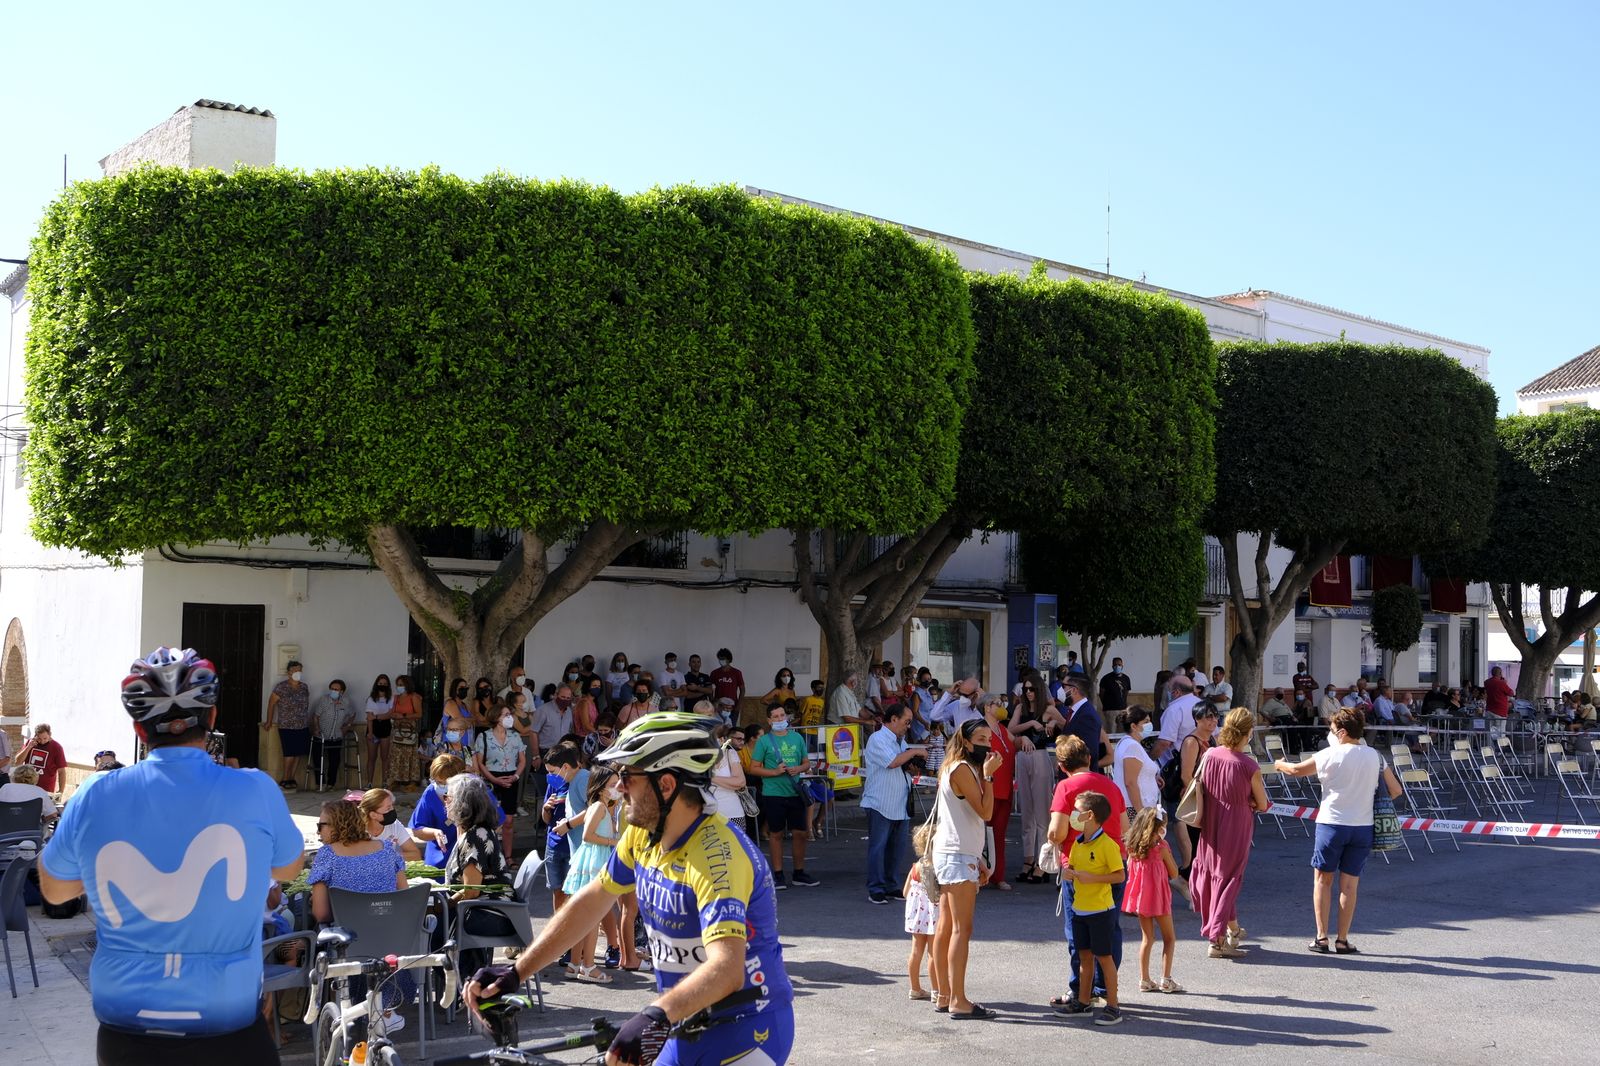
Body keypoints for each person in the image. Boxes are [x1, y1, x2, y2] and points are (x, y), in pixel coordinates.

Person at [464, 712, 795, 1066]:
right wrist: (517, 972)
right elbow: (592, 900)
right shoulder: (643, 833)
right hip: (683, 1020)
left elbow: (727, 969)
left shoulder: (717, 858)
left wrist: (655, 1014)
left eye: (628, 776)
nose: (619, 786)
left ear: (666, 785)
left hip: (746, 1029)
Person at [39, 647, 303, 1064]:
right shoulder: (256, 788)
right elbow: (288, 866)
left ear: (139, 730)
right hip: (230, 1022)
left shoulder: (95, 793)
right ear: (212, 719)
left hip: (128, 1029)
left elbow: (54, 891)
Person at [1275, 707, 1402, 955]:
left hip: (1332, 824)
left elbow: (1296, 770)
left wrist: (1279, 763)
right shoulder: (1375, 756)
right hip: (1362, 827)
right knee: (1350, 886)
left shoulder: (1329, 754)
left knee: (1322, 880)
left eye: (1332, 730)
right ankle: (1343, 940)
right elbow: (1395, 790)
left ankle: (1321, 937)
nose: (1330, 735)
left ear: (1342, 732)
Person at [929, 718, 1003, 1020]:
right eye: (982, 738)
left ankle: (945, 994)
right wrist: (988, 777)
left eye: (990, 737)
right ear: (967, 741)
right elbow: (985, 812)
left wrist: (978, 858)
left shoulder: (957, 767)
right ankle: (957, 999)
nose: (988, 744)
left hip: (955, 853)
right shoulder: (962, 769)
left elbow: (964, 819)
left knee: (947, 927)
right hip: (957, 855)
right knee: (961, 929)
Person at [1046, 735, 1127, 1007]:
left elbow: (1057, 832)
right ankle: (1107, 988)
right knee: (1110, 929)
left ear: (1061, 764)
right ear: (1089, 758)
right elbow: (1125, 829)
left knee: (1078, 932)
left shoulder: (1065, 787)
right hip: (1112, 861)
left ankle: (1081, 989)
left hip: (1079, 868)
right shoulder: (1111, 786)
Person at [1191, 708, 1270, 959]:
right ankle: (1216, 941)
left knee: (1217, 877)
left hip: (1211, 821)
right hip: (1236, 825)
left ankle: (1232, 928)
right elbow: (1264, 803)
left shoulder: (1211, 754)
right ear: (1248, 733)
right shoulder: (1249, 765)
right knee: (1228, 879)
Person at [1052, 790, 1125, 1027]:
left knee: (1104, 957)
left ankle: (1113, 1006)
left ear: (1090, 815)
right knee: (1083, 955)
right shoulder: (1077, 844)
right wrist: (1069, 873)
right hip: (1079, 909)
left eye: (1077, 811)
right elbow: (1072, 867)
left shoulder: (1108, 845)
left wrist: (1091, 877)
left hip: (1100, 910)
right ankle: (1083, 1002)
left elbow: (1119, 876)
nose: (1073, 815)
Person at [562, 767, 624, 983]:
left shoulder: (601, 807)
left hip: (594, 860)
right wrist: (613, 841)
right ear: (600, 787)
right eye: (612, 784)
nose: (617, 788)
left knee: (585, 917)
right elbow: (588, 836)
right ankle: (588, 966)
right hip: (595, 862)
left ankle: (574, 963)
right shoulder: (598, 807)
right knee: (592, 917)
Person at [749, 702, 819, 888]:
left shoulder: (797, 738)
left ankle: (799, 872)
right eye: (776, 717)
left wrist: (799, 768)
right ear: (769, 720)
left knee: (800, 833)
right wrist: (774, 772)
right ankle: (778, 874)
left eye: (783, 715)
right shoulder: (764, 741)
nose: (781, 719)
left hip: (794, 792)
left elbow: (806, 763)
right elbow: (753, 768)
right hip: (773, 794)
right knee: (776, 834)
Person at [862, 703, 925, 904]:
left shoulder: (901, 741)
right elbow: (892, 762)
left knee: (896, 849)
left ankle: (891, 885)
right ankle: (876, 888)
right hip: (880, 802)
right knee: (878, 848)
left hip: (899, 803)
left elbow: (902, 764)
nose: (908, 726)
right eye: (906, 722)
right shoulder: (877, 739)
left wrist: (913, 766)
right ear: (894, 719)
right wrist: (914, 752)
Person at [1123, 806, 1184, 994]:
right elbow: (1174, 872)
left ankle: (1145, 979)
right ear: (1158, 828)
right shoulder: (1161, 848)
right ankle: (1166, 979)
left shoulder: (1132, 847)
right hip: (1159, 897)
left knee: (1147, 939)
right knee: (1169, 938)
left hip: (1142, 899)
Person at [408, 753, 505, 868]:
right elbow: (417, 828)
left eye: (445, 783)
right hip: (439, 862)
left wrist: (471, 840)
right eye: (437, 782)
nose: (441, 787)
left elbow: (498, 822)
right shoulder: (431, 792)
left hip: (473, 859)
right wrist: (434, 833)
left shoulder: (477, 789)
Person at [1009, 674, 1061, 884]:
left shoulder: (1048, 709)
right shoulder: (1021, 709)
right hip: (1023, 756)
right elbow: (1011, 729)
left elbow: (1066, 724)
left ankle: (1043, 863)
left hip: (1040, 755)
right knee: (1026, 811)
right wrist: (1029, 725)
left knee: (1042, 812)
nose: (1028, 693)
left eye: (1031, 689)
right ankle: (1028, 860)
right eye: (1025, 689)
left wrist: (1054, 721)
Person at [473, 705, 529, 859]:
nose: (509, 717)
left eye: (509, 714)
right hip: (491, 779)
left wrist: (516, 776)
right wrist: (494, 779)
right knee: (490, 819)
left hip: (511, 778)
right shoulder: (484, 736)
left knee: (509, 820)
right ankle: (489, 856)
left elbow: (522, 760)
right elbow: (480, 763)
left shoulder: (515, 736)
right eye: (506, 714)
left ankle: (508, 856)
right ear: (497, 717)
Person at [1172, 705, 1218, 877]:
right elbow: (1186, 776)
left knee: (1206, 848)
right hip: (1194, 802)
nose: (1213, 720)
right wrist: (1200, 800)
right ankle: (1185, 881)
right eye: (1208, 717)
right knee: (1195, 847)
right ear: (1197, 719)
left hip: (1208, 799)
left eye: (1215, 716)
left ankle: (1193, 884)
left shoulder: (1212, 739)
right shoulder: (1192, 742)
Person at [979, 695, 1016, 891]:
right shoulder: (979, 728)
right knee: (978, 835)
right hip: (986, 788)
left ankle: (997, 875)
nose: (1002, 707)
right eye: (997, 704)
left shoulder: (1002, 729)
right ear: (987, 707)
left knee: (999, 835)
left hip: (1005, 789)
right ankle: (977, 875)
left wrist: (1024, 737)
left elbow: (1015, 741)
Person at [902, 819, 940, 1003]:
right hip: (933, 914)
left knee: (916, 951)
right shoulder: (938, 867)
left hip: (917, 914)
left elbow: (905, 892)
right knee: (934, 953)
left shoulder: (916, 867)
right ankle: (936, 990)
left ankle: (915, 988)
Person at [264, 660, 311, 790]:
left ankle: (292, 778)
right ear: (288, 672)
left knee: (298, 753)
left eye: (299, 670)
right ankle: (285, 778)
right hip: (287, 725)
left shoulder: (304, 687)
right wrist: (269, 721)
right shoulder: (281, 687)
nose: (297, 673)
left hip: (302, 725)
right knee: (289, 753)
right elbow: (271, 704)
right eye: (294, 670)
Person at [308, 678, 356, 792]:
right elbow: (316, 715)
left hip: (336, 735)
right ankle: (320, 784)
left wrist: (347, 726)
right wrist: (316, 728)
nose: (333, 691)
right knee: (318, 759)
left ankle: (331, 784)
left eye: (336, 689)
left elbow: (352, 714)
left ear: (342, 691)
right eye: (332, 689)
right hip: (322, 734)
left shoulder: (346, 701)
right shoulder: (324, 700)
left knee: (334, 761)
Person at [1110, 706, 1160, 812]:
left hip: (1138, 806)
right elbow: (1130, 782)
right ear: (1134, 726)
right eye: (1145, 722)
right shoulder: (1132, 746)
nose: (1149, 724)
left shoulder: (1128, 743)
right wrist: (1141, 812)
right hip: (1135, 808)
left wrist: (1152, 777)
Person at [357, 787, 421, 861]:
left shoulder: (395, 825)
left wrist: (389, 856)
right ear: (373, 815)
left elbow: (416, 854)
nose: (393, 810)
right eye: (388, 808)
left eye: (392, 806)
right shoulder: (357, 831)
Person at [1059, 674, 1106, 768]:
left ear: (1073, 690)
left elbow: (1089, 753)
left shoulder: (1087, 716)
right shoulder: (1075, 712)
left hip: (1079, 778)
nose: (1061, 690)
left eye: (1063, 686)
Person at [1154, 673, 1201, 763]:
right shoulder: (1203, 704)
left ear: (1176, 692)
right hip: (1201, 760)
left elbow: (1164, 742)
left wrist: (1149, 758)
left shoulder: (1174, 710)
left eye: (1169, 689)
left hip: (1179, 763)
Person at [388, 674, 425, 788]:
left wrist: (403, 716)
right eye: (398, 685)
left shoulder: (414, 697)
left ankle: (412, 781)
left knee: (410, 755)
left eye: (401, 685)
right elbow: (392, 712)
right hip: (397, 729)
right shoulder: (396, 698)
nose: (399, 687)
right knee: (396, 755)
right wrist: (395, 716)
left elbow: (419, 714)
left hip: (409, 729)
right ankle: (396, 780)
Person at [16, 723, 67, 794]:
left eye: (45, 738)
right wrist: (28, 747)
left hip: (45, 790)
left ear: (50, 734)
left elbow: (61, 771)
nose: (42, 741)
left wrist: (61, 791)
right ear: (35, 736)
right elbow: (18, 762)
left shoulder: (57, 747)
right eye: (39, 738)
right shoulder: (30, 743)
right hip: (27, 788)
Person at [364, 674, 394, 790]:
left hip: (385, 728)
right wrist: (370, 733)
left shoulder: (391, 698)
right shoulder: (371, 699)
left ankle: (385, 782)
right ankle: (369, 783)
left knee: (385, 757)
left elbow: (389, 714)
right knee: (371, 757)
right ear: (377, 684)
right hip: (373, 728)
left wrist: (376, 717)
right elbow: (369, 718)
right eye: (380, 683)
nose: (382, 686)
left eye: (385, 684)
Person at [710, 647, 746, 724]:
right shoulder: (714, 673)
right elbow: (710, 689)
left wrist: (739, 706)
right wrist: (713, 702)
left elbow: (742, 690)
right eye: (719, 659)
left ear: (729, 659)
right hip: (719, 707)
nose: (721, 661)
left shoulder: (737, 673)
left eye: (723, 659)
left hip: (732, 708)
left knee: (731, 730)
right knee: (718, 728)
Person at [1485, 666, 1514, 735]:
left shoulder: (1487, 682)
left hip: (1490, 709)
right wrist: (1504, 683)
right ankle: (1500, 745)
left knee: (1490, 731)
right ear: (1500, 673)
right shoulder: (1501, 683)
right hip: (1500, 711)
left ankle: (1490, 745)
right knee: (1500, 732)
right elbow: (1511, 693)